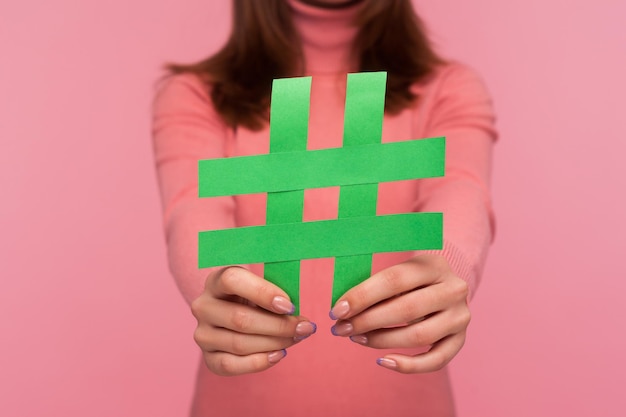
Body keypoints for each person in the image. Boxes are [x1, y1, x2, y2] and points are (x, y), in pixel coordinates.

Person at [151, 0, 497, 415]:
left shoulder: (447, 88)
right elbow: (191, 211)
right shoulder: (196, 95)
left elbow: (461, 190)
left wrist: (447, 268)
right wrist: (218, 286)